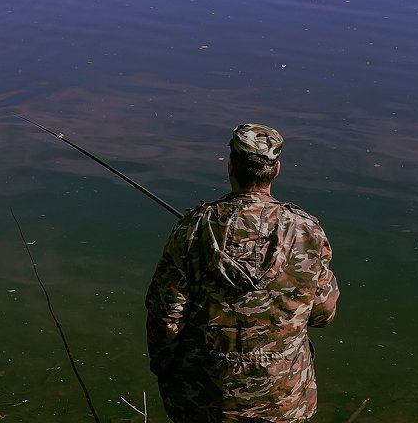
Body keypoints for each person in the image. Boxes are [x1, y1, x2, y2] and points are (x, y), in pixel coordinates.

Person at [145, 124, 340, 423]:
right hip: (283, 398)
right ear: (276, 171)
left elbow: (165, 315)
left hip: (201, 398)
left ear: (230, 166)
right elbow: (323, 314)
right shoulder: (306, 230)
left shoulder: (194, 228)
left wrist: (166, 370)